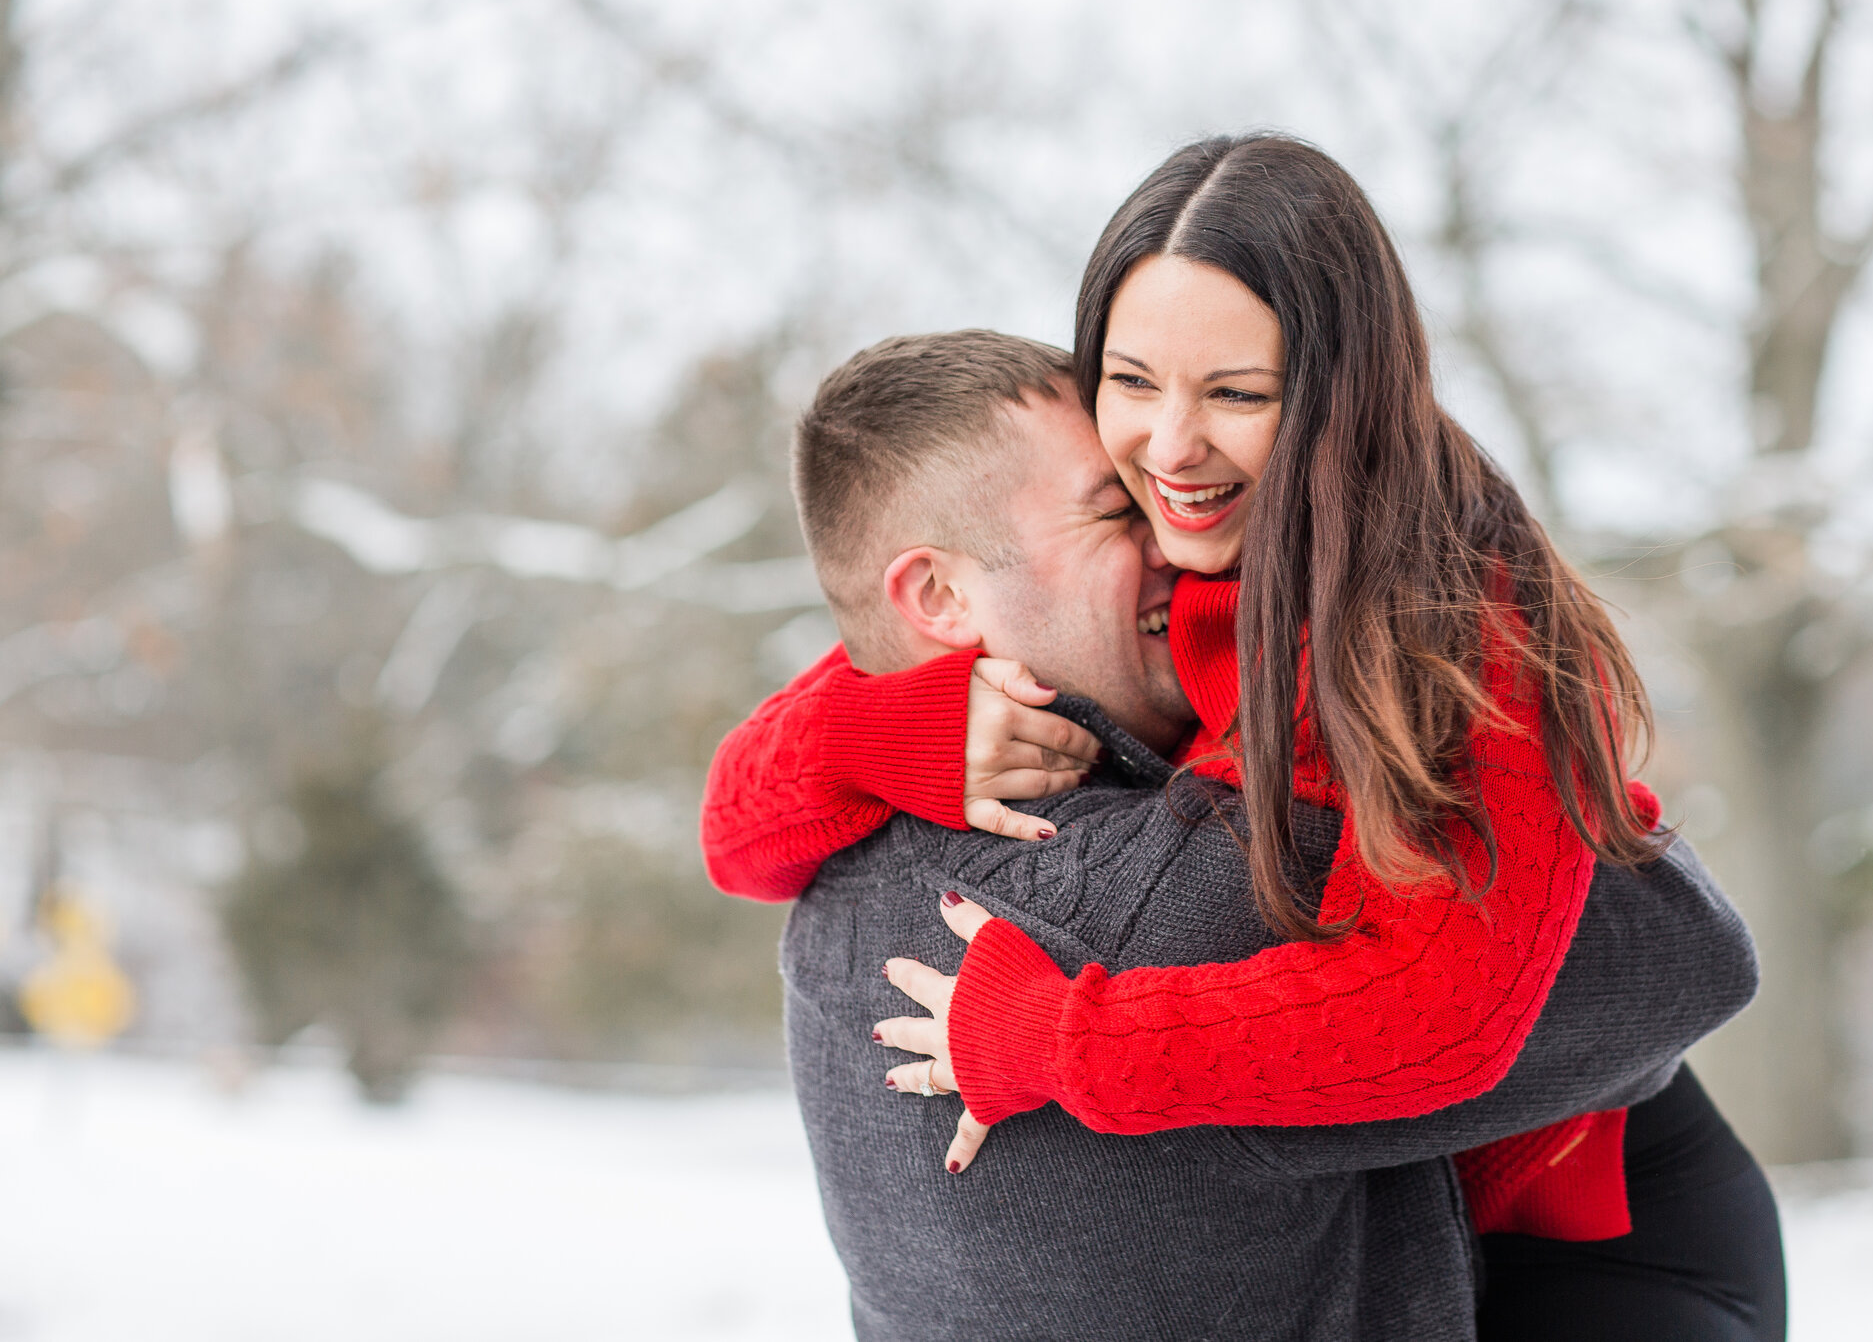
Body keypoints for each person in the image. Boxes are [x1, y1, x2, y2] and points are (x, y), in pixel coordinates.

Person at [706, 135, 1786, 1338]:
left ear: (1332, 397)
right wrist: (885, 719)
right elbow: (739, 821)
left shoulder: (1444, 615)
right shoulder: (1164, 534)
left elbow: (1487, 1005)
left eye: (1237, 392)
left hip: (1591, 1216)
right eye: (1130, 380)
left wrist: (1061, 1040)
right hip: (1416, 1196)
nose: (1169, 449)